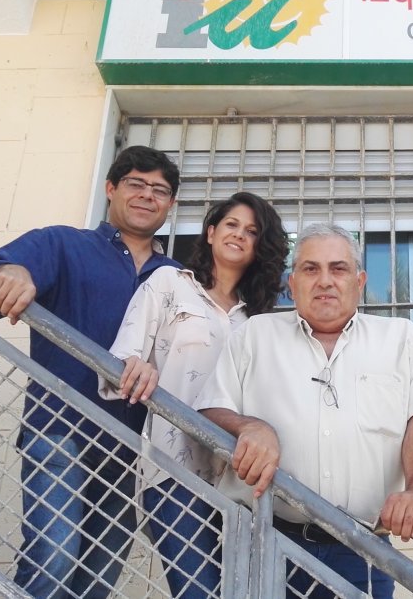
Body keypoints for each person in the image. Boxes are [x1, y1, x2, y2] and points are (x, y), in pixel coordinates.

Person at [0, 145, 180, 598]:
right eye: (135, 184)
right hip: (58, 429)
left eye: (159, 190)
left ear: (171, 204)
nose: (147, 196)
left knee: (97, 579)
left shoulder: (178, 277)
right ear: (110, 190)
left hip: (129, 450)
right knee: (54, 558)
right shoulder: (63, 243)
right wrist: (13, 272)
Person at [197, 223, 413, 599]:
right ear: (292, 281)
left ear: (359, 281)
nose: (325, 280)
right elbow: (211, 408)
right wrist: (250, 426)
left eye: (339, 268)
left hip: (363, 549)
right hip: (261, 540)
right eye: (311, 269)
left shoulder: (400, 339)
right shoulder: (255, 335)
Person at [102, 192, 288, 599]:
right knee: (196, 591)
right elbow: (123, 355)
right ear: (210, 232)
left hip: (238, 481)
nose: (239, 235)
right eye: (232, 225)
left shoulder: (259, 321)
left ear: (260, 248)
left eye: (252, 231)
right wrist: (141, 366)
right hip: (173, 471)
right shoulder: (169, 283)